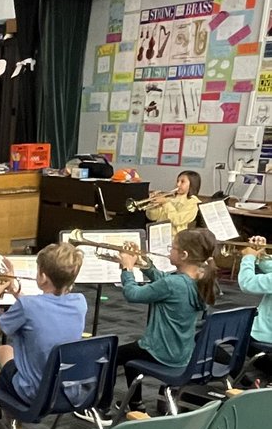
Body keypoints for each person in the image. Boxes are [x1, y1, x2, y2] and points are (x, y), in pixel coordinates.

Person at [116, 228, 218, 409]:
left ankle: (100, 407)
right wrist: (143, 263)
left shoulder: (173, 284)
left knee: (112, 355)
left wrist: (127, 268)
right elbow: (163, 279)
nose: (169, 250)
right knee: (131, 358)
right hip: (182, 353)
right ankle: (136, 403)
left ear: (184, 255)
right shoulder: (199, 279)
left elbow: (133, 294)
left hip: (159, 351)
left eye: (173, 247)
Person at [0, 242, 86, 405]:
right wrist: (16, 292)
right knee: (4, 350)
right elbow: (45, 309)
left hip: (34, 393)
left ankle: (14, 424)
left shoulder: (28, 306)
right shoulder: (80, 302)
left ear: (43, 277)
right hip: (67, 390)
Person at [238, 236, 272, 378]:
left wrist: (248, 257)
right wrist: (262, 255)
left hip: (263, 339)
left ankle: (239, 379)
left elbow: (247, 283)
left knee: (209, 333)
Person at [145, 170, 201, 237]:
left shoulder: (192, 203)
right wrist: (153, 204)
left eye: (182, 182)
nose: (178, 184)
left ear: (192, 184)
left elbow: (177, 220)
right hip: (158, 234)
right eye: (178, 181)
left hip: (176, 238)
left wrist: (166, 203)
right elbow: (152, 217)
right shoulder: (170, 198)